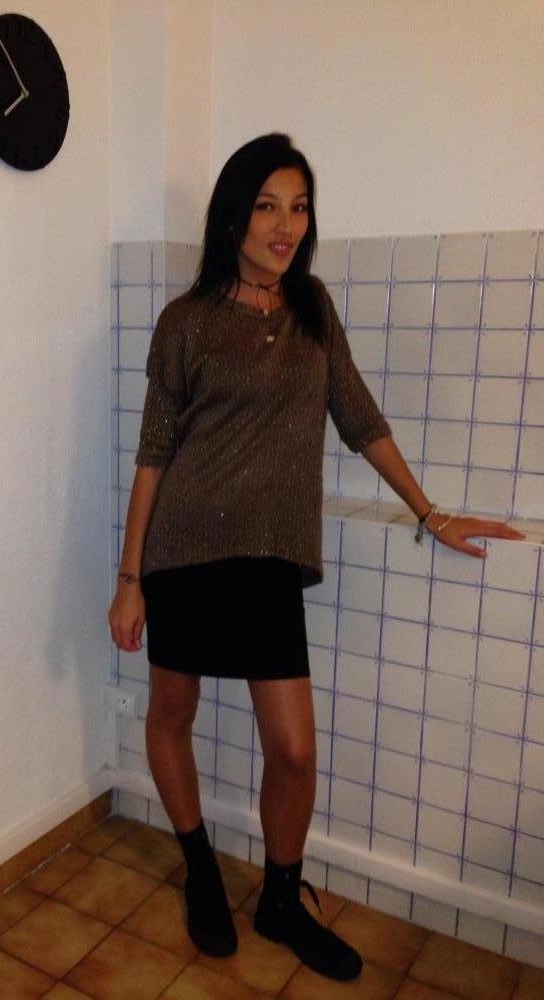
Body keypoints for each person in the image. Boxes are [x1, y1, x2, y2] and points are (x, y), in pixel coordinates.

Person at [107, 133, 524, 982]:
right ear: (234, 217)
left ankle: (279, 896)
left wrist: (431, 512)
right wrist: (129, 578)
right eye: (267, 206)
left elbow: (359, 418)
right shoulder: (186, 321)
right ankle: (200, 869)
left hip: (268, 558)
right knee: (173, 713)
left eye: (298, 208)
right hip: (183, 550)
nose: (285, 225)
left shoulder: (312, 309)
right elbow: (154, 452)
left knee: (294, 749)